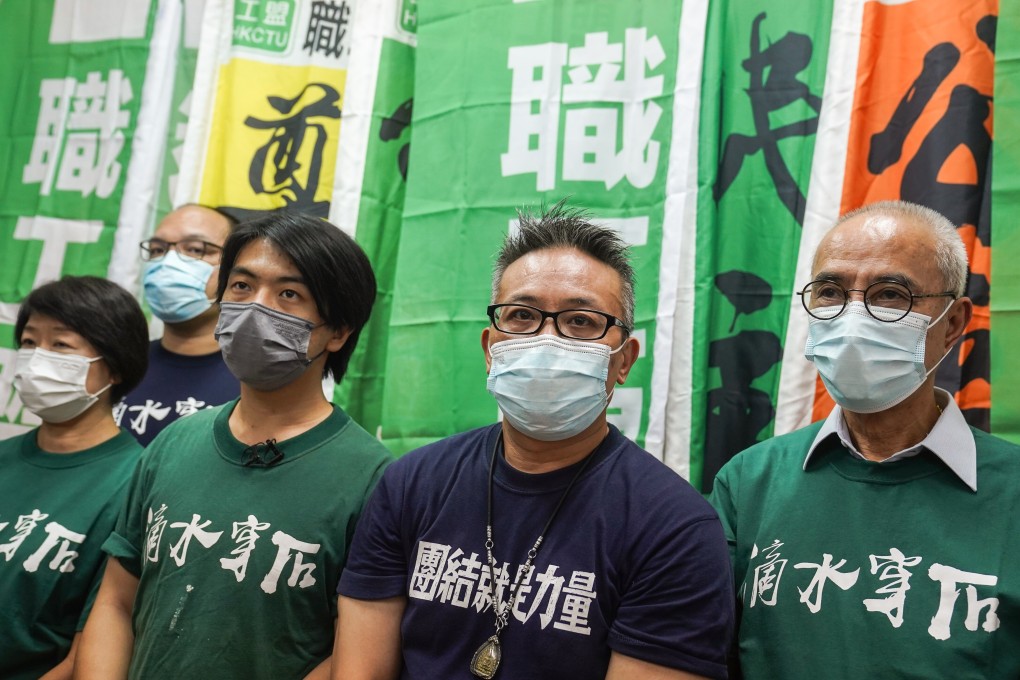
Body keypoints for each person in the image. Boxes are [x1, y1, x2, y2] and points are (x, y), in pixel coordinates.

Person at [335, 203, 734, 680]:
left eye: (581, 322)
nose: (547, 339)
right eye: (522, 315)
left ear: (623, 360)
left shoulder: (675, 529)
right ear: (490, 349)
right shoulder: (410, 484)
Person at [75, 212, 393, 679]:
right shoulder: (174, 442)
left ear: (339, 331)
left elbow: (357, 656)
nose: (255, 308)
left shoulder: (374, 478)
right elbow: (117, 602)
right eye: (241, 287)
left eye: (289, 294)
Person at [709, 200, 1020, 678]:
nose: (853, 318)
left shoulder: (1011, 490)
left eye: (891, 294)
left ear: (953, 324)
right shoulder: (750, 481)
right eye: (831, 291)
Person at [0, 276, 148, 679]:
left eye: (61, 345)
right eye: (29, 343)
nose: (36, 359)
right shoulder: (5, 458)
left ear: (114, 366)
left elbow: (92, 649)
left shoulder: (137, 483)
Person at [116, 203, 239, 445]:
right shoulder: (116, 365)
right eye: (157, 250)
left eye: (195, 249)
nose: (169, 262)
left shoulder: (257, 379)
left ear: (236, 268)